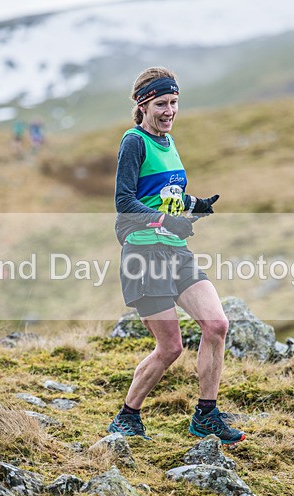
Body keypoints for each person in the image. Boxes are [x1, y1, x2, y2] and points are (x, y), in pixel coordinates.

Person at [107, 67, 245, 445]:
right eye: (162, 103)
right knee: (170, 348)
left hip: (175, 251)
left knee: (216, 325)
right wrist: (167, 219)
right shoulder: (134, 142)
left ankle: (206, 415)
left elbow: (162, 193)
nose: (170, 110)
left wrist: (193, 203)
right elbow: (125, 202)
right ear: (143, 104)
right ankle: (127, 416)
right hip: (143, 253)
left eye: (174, 102)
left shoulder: (169, 142)